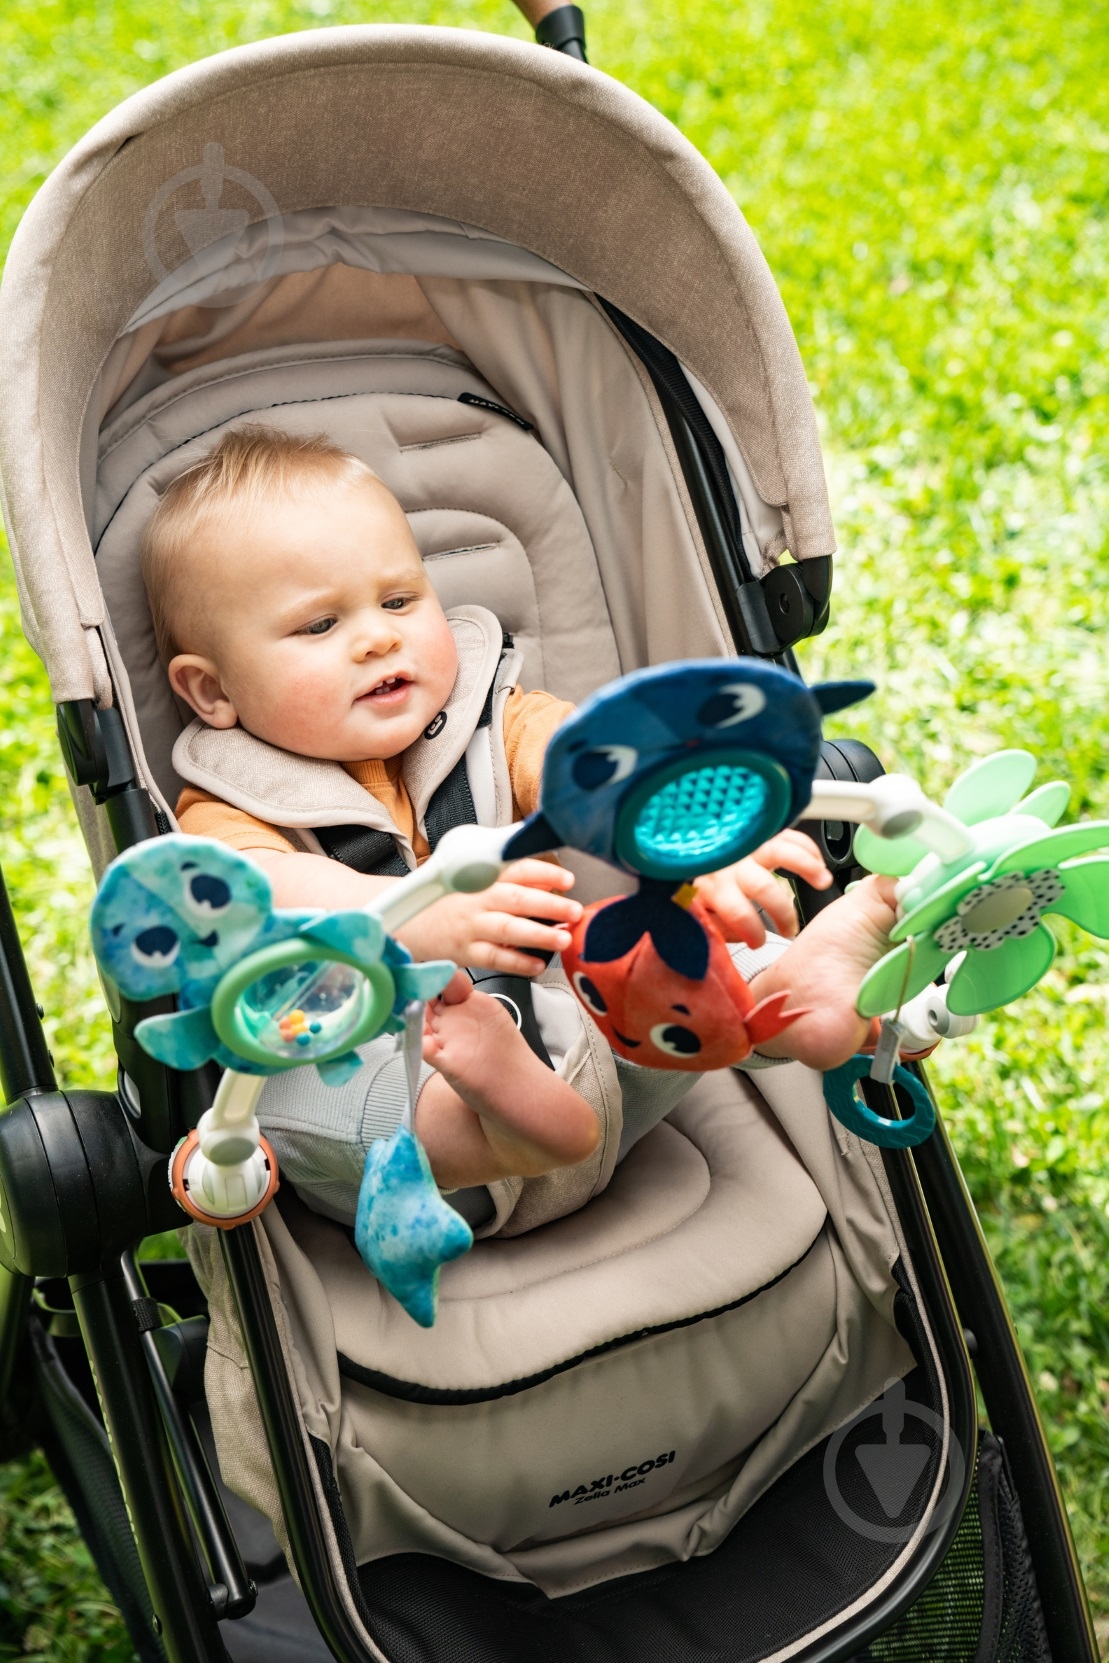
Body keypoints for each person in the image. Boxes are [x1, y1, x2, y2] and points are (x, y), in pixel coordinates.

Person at [141, 424, 898, 1221]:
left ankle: (784, 996)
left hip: (587, 1044)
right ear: (212, 691)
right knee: (301, 1095)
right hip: (400, 1119)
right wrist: (415, 920)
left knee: (668, 955)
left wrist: (685, 832)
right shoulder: (225, 808)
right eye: (318, 626)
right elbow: (269, 894)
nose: (378, 636)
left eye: (399, 600)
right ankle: (498, 1125)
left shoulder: (492, 716)